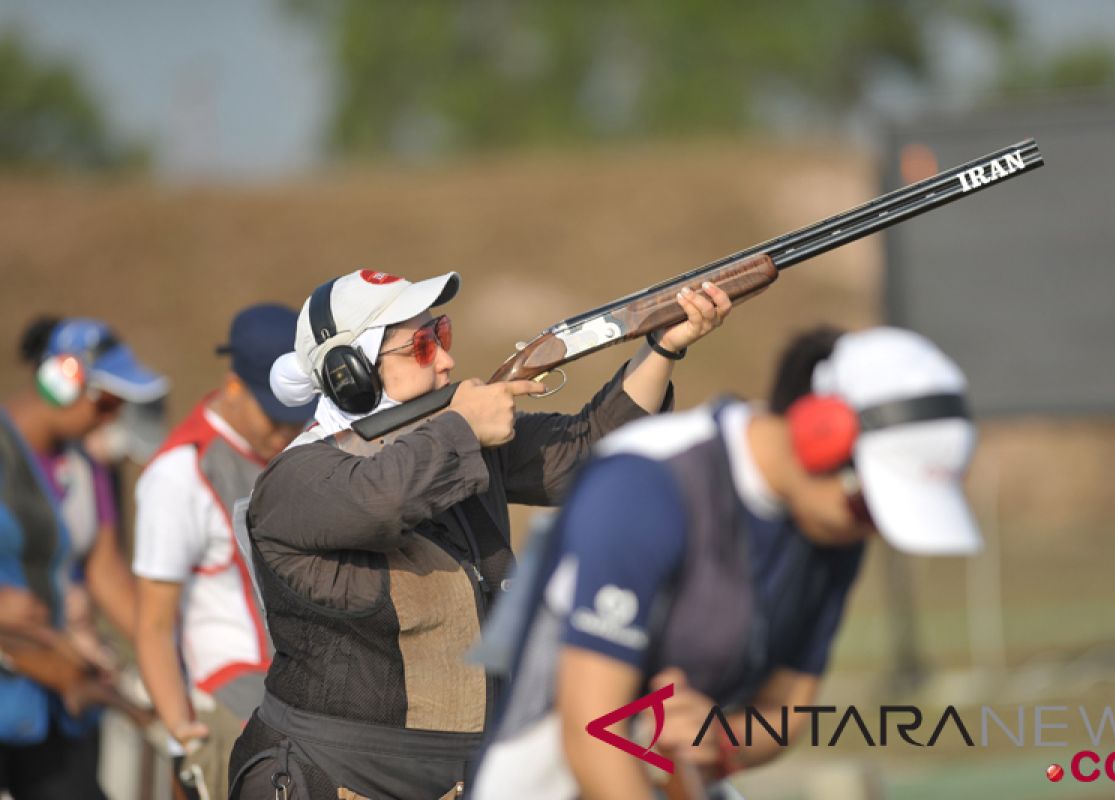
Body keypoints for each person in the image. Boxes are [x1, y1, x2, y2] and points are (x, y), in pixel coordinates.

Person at [227, 268, 734, 799]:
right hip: (332, 776)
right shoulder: (295, 480)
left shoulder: (450, 440)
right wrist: (464, 427)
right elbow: (380, 501)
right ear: (349, 374)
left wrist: (661, 348)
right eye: (422, 346)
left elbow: (590, 450)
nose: (446, 358)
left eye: (441, 334)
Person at [471, 325, 983, 800]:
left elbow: (787, 709)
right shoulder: (647, 482)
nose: (871, 529)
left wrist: (720, 738)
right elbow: (590, 733)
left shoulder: (833, 524)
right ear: (818, 434)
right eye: (870, 505)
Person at [133, 304, 318, 800]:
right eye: (276, 416)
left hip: (299, 705)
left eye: (299, 415)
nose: (288, 430)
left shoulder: (295, 452)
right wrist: (182, 734)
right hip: (227, 708)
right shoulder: (178, 475)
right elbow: (152, 624)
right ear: (234, 386)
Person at [0, 316, 168, 799]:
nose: (112, 417)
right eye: (108, 400)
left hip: (59, 694)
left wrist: (165, 653)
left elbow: (105, 571)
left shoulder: (86, 465)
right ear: (61, 380)